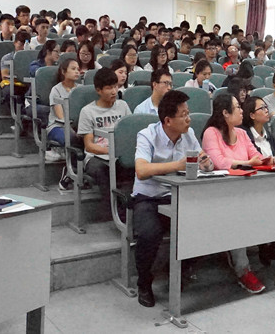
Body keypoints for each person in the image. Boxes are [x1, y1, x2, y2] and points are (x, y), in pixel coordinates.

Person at [133, 90, 214, 307]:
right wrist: (178, 165)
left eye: (188, 113)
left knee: (208, 225)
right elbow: (141, 170)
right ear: (168, 120)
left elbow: (202, 159)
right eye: (184, 115)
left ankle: (179, 270)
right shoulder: (147, 135)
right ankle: (144, 283)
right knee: (149, 233)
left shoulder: (189, 134)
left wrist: (207, 163)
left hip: (178, 195)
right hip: (148, 197)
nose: (189, 119)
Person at [201, 94, 267, 294]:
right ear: (225, 113)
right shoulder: (211, 133)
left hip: (244, 190)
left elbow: (257, 156)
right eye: (237, 107)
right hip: (218, 194)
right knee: (238, 215)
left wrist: (272, 160)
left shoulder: (242, 133)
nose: (241, 110)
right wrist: (247, 163)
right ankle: (242, 270)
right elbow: (219, 162)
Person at [77, 68, 131, 218]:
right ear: (98, 90)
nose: (114, 91)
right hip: (96, 157)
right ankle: (116, 213)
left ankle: (133, 208)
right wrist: (111, 151)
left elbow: (129, 134)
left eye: (115, 87)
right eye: (109, 88)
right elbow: (89, 146)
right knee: (102, 171)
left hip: (119, 155)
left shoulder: (123, 106)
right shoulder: (87, 111)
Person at [47, 58, 82, 169]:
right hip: (58, 126)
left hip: (77, 126)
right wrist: (75, 131)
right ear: (63, 71)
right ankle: (73, 170)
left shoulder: (81, 89)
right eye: (73, 69)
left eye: (78, 69)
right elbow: (61, 117)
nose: (77, 72)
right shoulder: (56, 90)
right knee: (72, 138)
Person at [241, 96, 275, 165]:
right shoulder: (245, 137)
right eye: (262, 108)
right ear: (252, 115)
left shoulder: (271, 137)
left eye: (266, 107)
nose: (266, 110)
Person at [0, 30, 31, 107]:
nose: (23, 48)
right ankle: (18, 111)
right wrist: (18, 77)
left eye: (25, 45)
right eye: (20, 45)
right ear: (15, 43)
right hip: (13, 83)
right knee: (9, 90)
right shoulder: (7, 58)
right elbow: (4, 76)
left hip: (28, 83)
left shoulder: (32, 57)